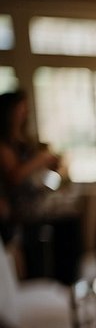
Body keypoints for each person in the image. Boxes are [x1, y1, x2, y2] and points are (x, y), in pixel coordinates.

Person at [0, 90, 62, 246]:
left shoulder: (25, 140)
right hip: (19, 215)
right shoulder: (4, 144)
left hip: (39, 211)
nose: (25, 112)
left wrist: (50, 164)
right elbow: (15, 176)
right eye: (21, 107)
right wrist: (40, 159)